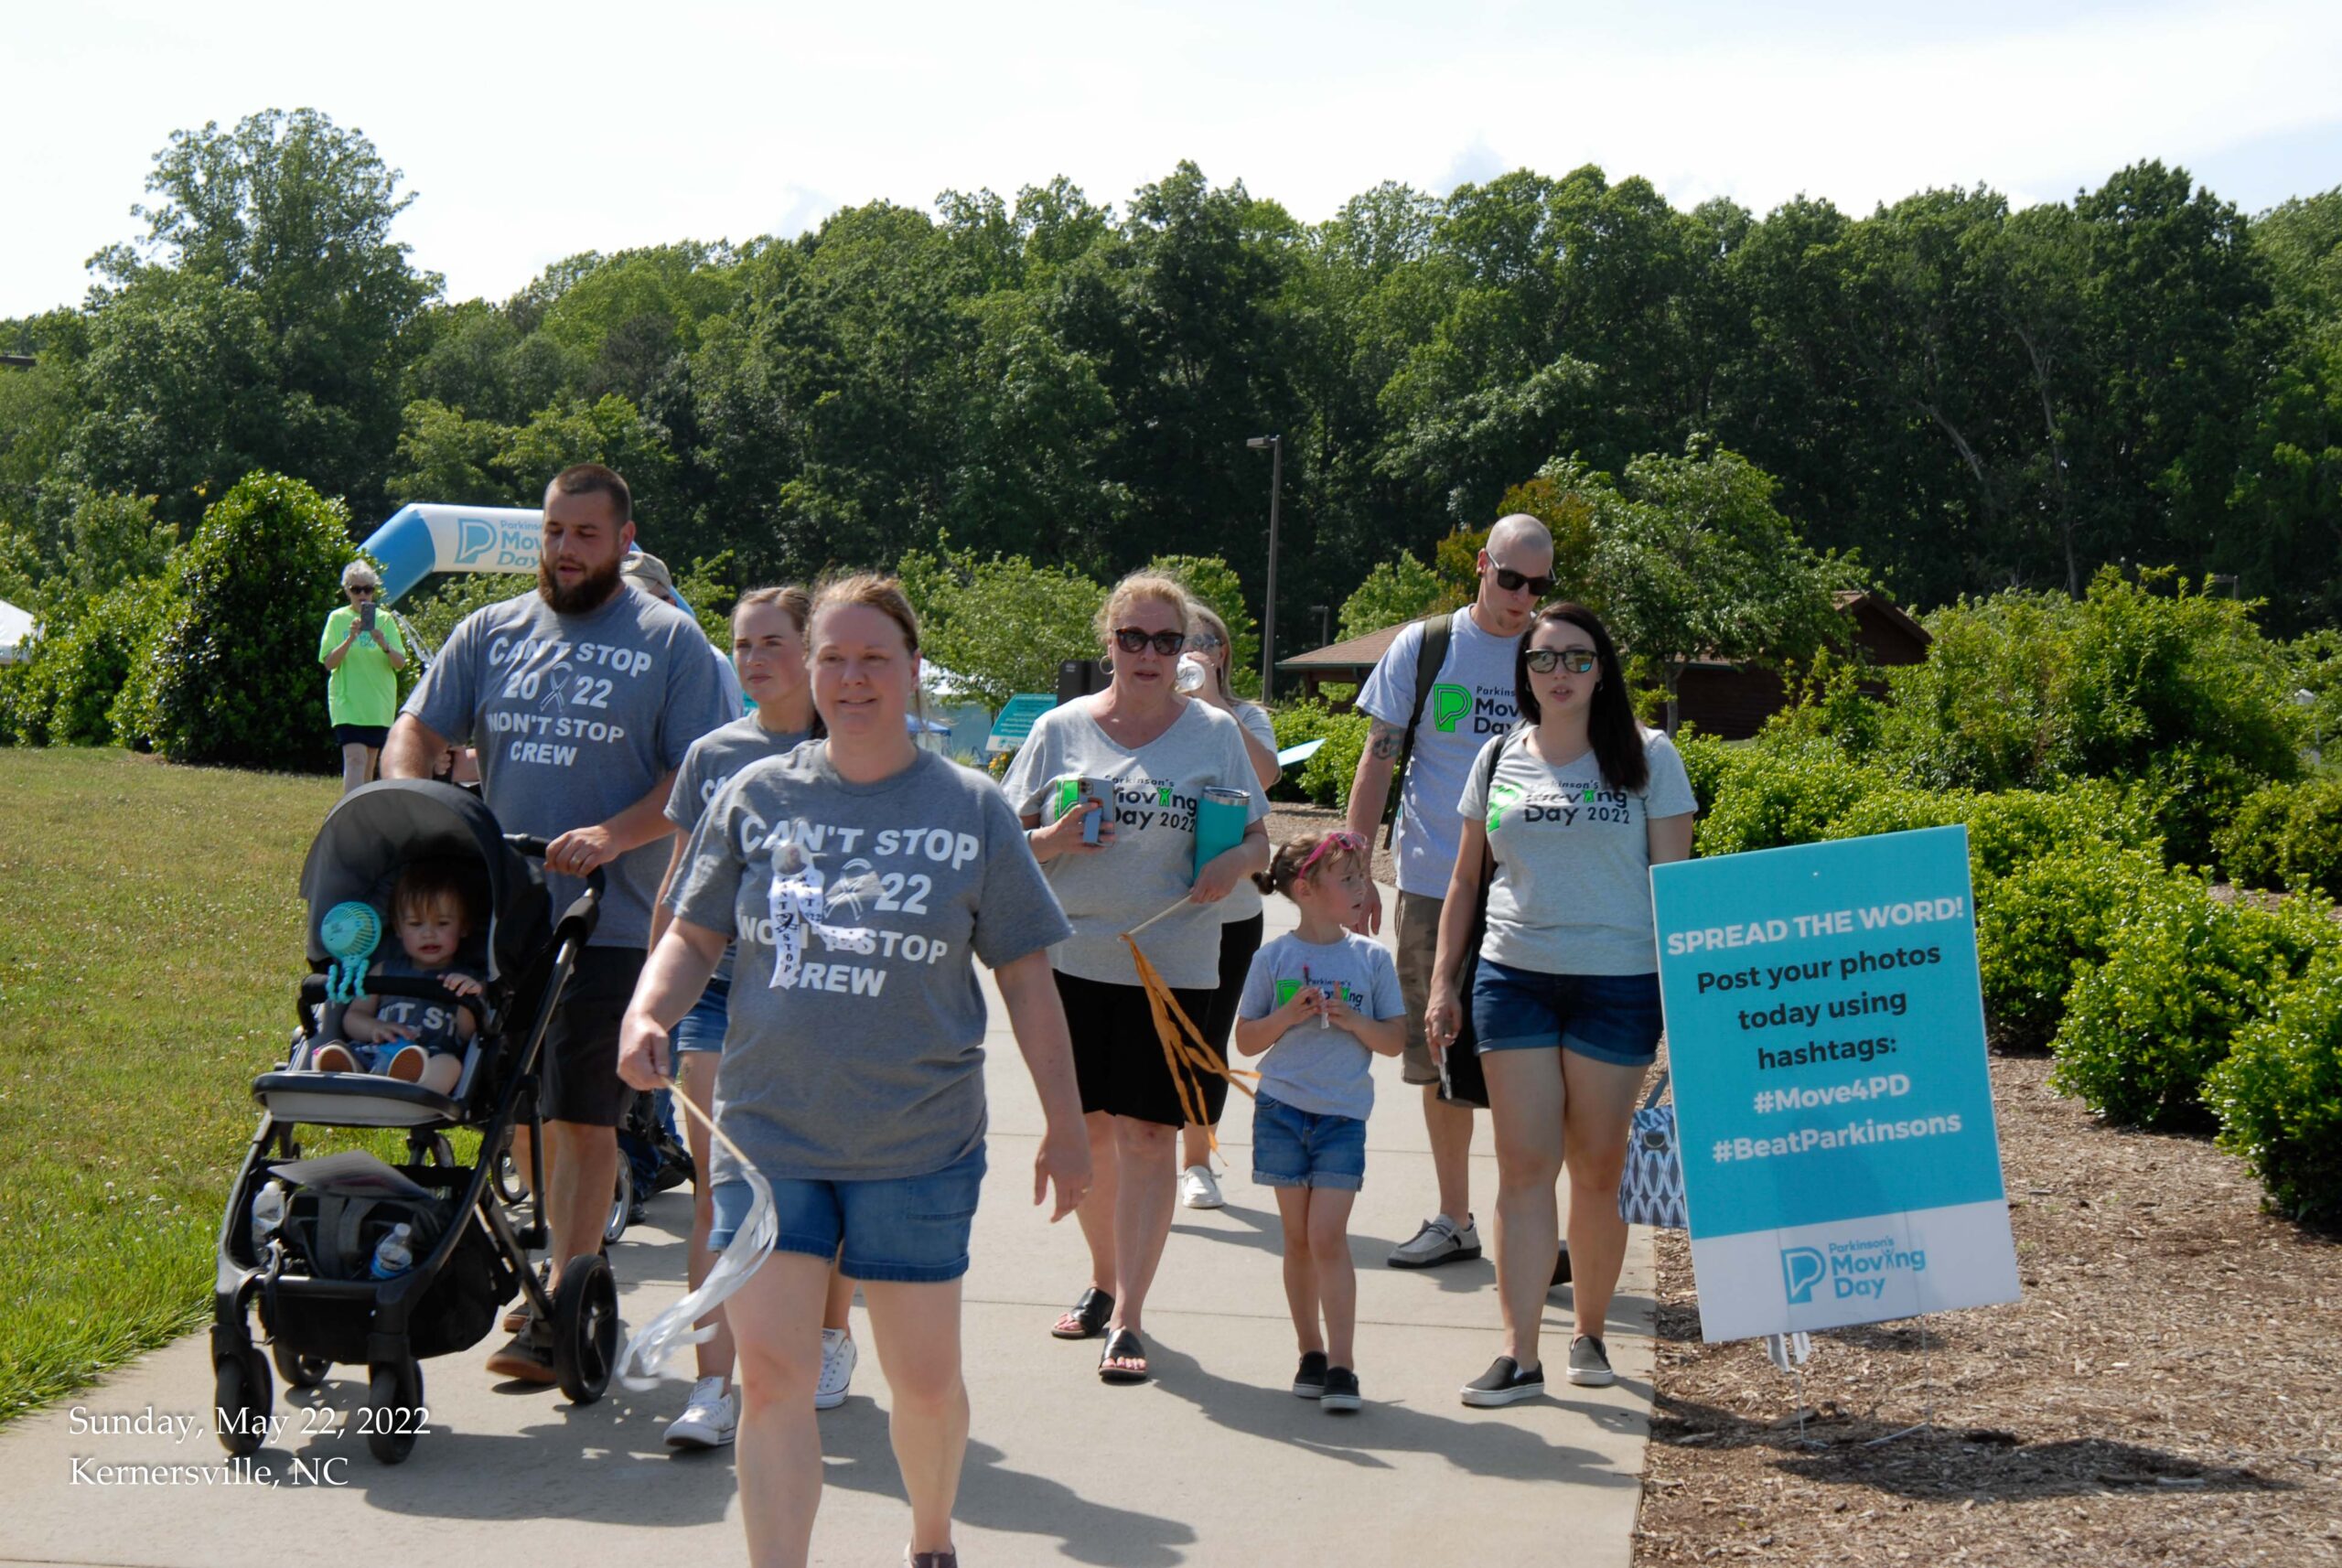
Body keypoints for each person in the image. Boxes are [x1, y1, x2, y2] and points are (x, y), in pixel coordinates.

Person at [617, 574, 1090, 1568]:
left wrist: (1066, 1120)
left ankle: (929, 1539)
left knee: (922, 1383)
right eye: (832, 656)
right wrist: (646, 1006)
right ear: (807, 667)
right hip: (768, 1134)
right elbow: (695, 932)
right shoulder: (756, 794)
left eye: (875, 657)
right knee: (777, 1377)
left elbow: (1026, 977)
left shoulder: (971, 808)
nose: (852, 677)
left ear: (914, 671)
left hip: (917, 1139)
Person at [382, 462, 731, 1384]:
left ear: (624, 540)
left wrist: (614, 835)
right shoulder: (488, 633)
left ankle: (565, 1295)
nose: (565, 550)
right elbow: (417, 724)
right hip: (506, 918)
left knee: (581, 1110)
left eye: (584, 533)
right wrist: (409, 790)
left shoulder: (670, 642)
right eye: (553, 531)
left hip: (611, 919)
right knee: (519, 1113)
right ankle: (566, 1269)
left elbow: (695, 776)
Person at [1000, 572, 1271, 1384]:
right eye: (1133, 638)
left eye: (1167, 641)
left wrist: (1231, 861)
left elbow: (1260, 841)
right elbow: (1007, 840)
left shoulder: (1214, 735)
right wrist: (1055, 838)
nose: (1149, 655)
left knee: (1152, 1136)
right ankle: (1103, 1276)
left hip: (1175, 965)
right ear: (1108, 643)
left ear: (1184, 651)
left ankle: (1129, 1315)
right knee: (1091, 1139)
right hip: (1072, 962)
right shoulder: (1059, 729)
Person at [1425, 602, 1695, 1404]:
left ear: (1602, 670)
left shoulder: (1649, 758)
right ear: (1525, 673)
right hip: (1513, 977)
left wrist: (1689, 998)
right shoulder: (1497, 756)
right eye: (1544, 660)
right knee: (1522, 1167)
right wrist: (1444, 980)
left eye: (1578, 659)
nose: (1560, 674)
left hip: (1619, 983)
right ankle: (1519, 1353)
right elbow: (1467, 880)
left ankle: (1590, 1334)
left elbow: (1672, 887)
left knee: (1598, 1167)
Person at [648, 585, 860, 1450]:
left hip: (824, 992)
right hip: (719, 985)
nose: (754, 659)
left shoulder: (858, 748)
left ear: (809, 650)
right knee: (718, 1189)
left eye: (772, 642)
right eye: (741, 645)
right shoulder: (711, 755)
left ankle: (829, 1334)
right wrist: (648, 1005)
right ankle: (712, 1388)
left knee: (823, 1179)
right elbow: (677, 885)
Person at [1344, 513, 1556, 1272]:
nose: (1523, 599)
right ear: (1481, 566)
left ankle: (1534, 1222)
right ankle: (1455, 1216)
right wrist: (1354, 863)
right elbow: (1377, 758)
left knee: (1535, 1058)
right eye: (1510, 580)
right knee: (1441, 1052)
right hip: (1437, 882)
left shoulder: (1554, 651)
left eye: (1539, 586)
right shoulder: (1428, 646)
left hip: (1538, 891)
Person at [1231, 831, 1404, 1414]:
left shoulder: (1372, 958)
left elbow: (1395, 1042)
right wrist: (1286, 1014)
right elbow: (1247, 1041)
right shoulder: (1272, 957)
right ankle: (1309, 1351)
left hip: (1341, 1116)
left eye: (1363, 877)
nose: (1363, 889)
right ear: (1306, 891)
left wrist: (1355, 1020)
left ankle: (1343, 1364)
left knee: (1327, 1236)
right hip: (1281, 1109)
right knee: (1299, 1240)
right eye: (1350, 879)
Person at [1176, 603, 1280, 1210]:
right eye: (1177, 638)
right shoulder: (1145, 720)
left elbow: (1264, 778)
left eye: (1203, 640)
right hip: (1154, 908)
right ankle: (1138, 1157)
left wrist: (1214, 705)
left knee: (1206, 1040)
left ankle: (1196, 1163)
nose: (1189, 649)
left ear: (1222, 654)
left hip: (1229, 911)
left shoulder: (1244, 717)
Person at [310, 860, 484, 1096]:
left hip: (430, 1058)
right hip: (375, 1050)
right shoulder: (383, 970)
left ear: (464, 927)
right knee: (340, 1049)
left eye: (442, 923)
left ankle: (412, 1094)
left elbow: (468, 1035)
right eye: (415, 924)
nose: (428, 933)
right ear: (399, 929)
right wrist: (375, 1028)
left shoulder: (468, 978)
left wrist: (469, 999)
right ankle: (346, 1071)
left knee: (450, 1065)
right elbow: (353, 1017)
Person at [623, 547, 747, 716]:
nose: (629, 613)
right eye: (621, 604)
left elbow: (722, 739)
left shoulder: (707, 661)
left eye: (644, 603)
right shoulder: (609, 659)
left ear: (671, 604)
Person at [318, 561, 408, 794]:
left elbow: (400, 663)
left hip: (378, 704)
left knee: (368, 766)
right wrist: (349, 638)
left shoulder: (385, 620)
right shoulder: (337, 619)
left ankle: (363, 819)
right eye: (356, 589)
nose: (363, 595)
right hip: (348, 702)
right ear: (347, 590)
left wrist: (383, 644)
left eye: (368, 589)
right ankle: (349, 817)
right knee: (355, 759)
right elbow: (329, 663)